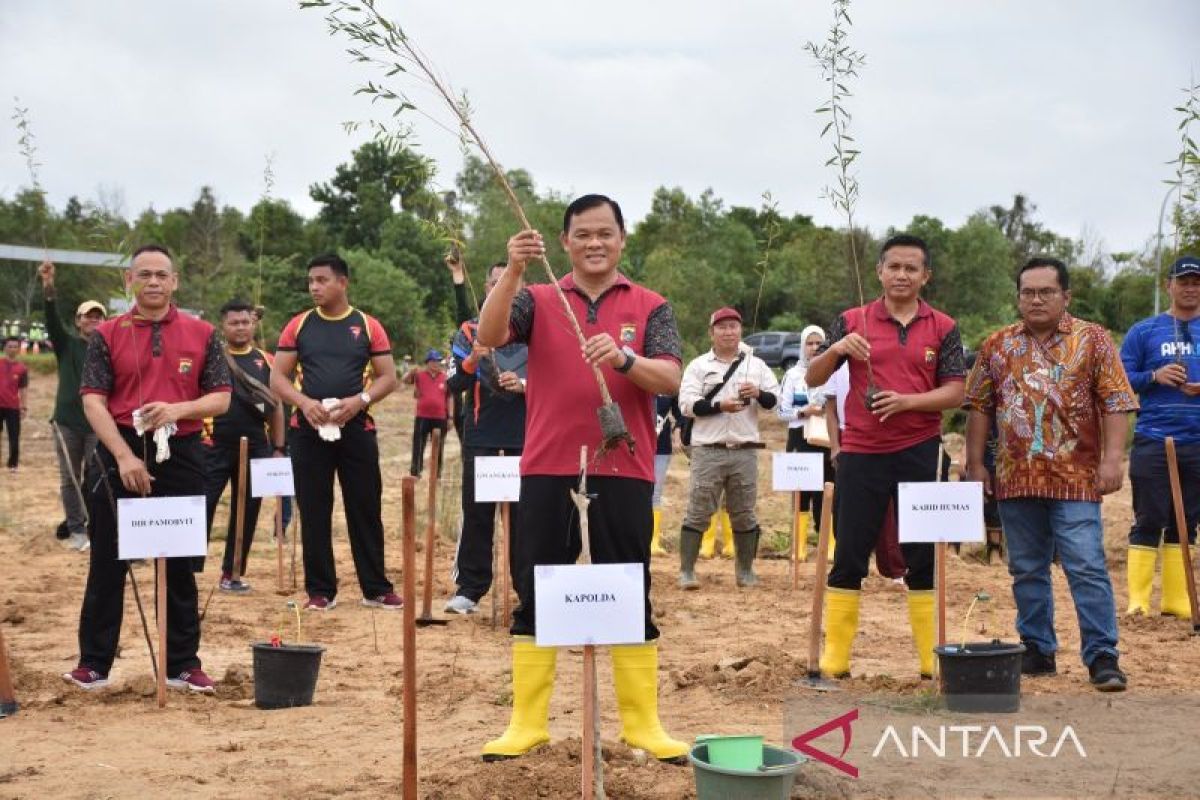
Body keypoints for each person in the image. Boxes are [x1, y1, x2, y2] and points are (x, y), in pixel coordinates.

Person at [476, 194, 687, 761]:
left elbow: (668, 379)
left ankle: (642, 724)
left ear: (623, 239)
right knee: (534, 588)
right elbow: (491, 336)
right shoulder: (540, 299)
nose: (595, 244)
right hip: (547, 466)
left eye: (605, 234)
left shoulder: (651, 306)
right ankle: (526, 723)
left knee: (630, 587)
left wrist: (622, 360)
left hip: (625, 467)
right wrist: (514, 271)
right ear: (564, 242)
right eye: (583, 234)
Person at [63, 245, 231, 692]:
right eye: (144, 275)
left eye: (161, 275)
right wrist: (122, 456)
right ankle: (94, 662)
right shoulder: (108, 334)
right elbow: (93, 400)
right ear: (128, 281)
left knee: (178, 562)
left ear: (174, 281)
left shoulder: (202, 332)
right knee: (107, 561)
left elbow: (220, 396)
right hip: (119, 449)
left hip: (183, 449)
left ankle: (182, 663)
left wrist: (178, 409)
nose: (153, 282)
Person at [965, 256, 1137, 692]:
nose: (1036, 299)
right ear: (1018, 296)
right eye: (1028, 292)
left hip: (1076, 478)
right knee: (1025, 568)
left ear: (1066, 296)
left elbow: (1117, 401)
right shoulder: (998, 344)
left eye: (1046, 292)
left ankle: (1102, 655)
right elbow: (980, 407)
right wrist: (974, 464)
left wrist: (1113, 459)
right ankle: (1037, 649)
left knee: (1086, 565)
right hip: (1014, 478)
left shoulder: (1092, 339)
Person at [805, 234, 966, 680]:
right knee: (850, 552)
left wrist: (908, 402)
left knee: (922, 556)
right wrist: (837, 348)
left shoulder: (944, 327)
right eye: (894, 266)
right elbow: (814, 377)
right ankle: (835, 657)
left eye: (911, 268)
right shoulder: (851, 320)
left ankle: (929, 659)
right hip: (861, 452)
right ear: (879, 271)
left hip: (921, 452)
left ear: (925, 276)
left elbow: (956, 390)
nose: (901, 275)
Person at [270, 253, 401, 612]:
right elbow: (277, 376)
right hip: (308, 430)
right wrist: (304, 402)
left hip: (357, 427)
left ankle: (376, 588)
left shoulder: (368, 325)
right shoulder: (298, 325)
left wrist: (360, 400)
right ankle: (320, 590)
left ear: (342, 282)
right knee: (314, 509)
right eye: (311, 280)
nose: (314, 287)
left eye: (322, 280)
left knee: (365, 507)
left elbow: (389, 377)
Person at [444, 263, 528, 615]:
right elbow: (452, 385)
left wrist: (525, 386)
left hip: (529, 439)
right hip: (482, 437)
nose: (504, 289)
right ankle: (470, 588)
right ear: (488, 286)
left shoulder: (537, 328)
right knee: (477, 515)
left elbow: (559, 380)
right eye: (497, 283)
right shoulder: (469, 331)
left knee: (527, 519)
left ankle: (528, 590)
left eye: (511, 283)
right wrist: (471, 363)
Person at [1119, 255, 1200, 618]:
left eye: (1196, 282)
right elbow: (1120, 380)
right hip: (1153, 438)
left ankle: (1177, 599)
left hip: (1197, 441)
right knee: (1150, 517)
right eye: (1183, 281)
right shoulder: (1144, 331)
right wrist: (1155, 377)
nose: (1190, 288)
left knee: (1189, 520)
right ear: (1168, 285)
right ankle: (1138, 601)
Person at [677, 307, 779, 589]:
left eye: (733, 326)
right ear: (711, 332)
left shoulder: (756, 366)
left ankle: (745, 572)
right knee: (698, 509)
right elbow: (686, 405)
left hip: (745, 450)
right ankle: (686, 571)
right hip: (708, 449)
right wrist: (719, 406)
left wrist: (758, 393)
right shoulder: (698, 366)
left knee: (744, 511)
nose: (728, 331)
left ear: (740, 331)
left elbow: (778, 402)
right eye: (721, 327)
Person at [202, 299, 287, 593]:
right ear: (223, 326)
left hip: (256, 448)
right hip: (213, 446)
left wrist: (278, 447)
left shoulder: (268, 361)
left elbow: (276, 408)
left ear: (253, 323)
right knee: (202, 505)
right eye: (234, 323)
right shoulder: (211, 358)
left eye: (245, 322)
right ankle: (187, 568)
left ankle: (233, 572)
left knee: (247, 511)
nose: (240, 327)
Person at [38, 261, 106, 550]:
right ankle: (77, 530)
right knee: (70, 478)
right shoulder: (66, 344)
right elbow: (52, 318)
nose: (92, 321)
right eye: (86, 317)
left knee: (97, 476)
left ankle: (95, 525)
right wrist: (49, 285)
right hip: (66, 422)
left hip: (98, 424)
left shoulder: (108, 350)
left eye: (98, 317)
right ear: (78, 321)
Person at [778, 325, 833, 554]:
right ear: (802, 346)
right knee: (801, 492)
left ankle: (827, 545)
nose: (814, 348)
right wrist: (803, 412)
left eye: (818, 344)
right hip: (799, 437)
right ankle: (798, 547)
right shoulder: (793, 375)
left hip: (826, 438)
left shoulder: (834, 372)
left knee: (827, 492)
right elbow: (781, 412)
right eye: (809, 343)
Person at [403, 349, 450, 477]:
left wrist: (450, 417)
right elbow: (405, 381)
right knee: (419, 444)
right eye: (433, 361)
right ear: (427, 362)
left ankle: (437, 473)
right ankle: (416, 471)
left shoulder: (445, 377)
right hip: (422, 416)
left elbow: (449, 398)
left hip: (440, 417)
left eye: (438, 361)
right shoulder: (420, 375)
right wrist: (410, 373)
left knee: (439, 447)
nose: (436, 364)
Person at [650, 394, 683, 556]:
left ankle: (653, 541)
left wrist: (677, 436)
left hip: (661, 448)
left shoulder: (668, 385)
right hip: (635, 444)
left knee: (655, 493)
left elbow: (681, 414)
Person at [1, 336, 28, 472]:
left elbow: (23, 389)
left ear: (18, 349)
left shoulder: (22, 369)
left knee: (14, 436)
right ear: (4, 347)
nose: (12, 348)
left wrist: (24, 407)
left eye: (15, 346)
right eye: (9, 346)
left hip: (13, 407)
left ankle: (13, 464)